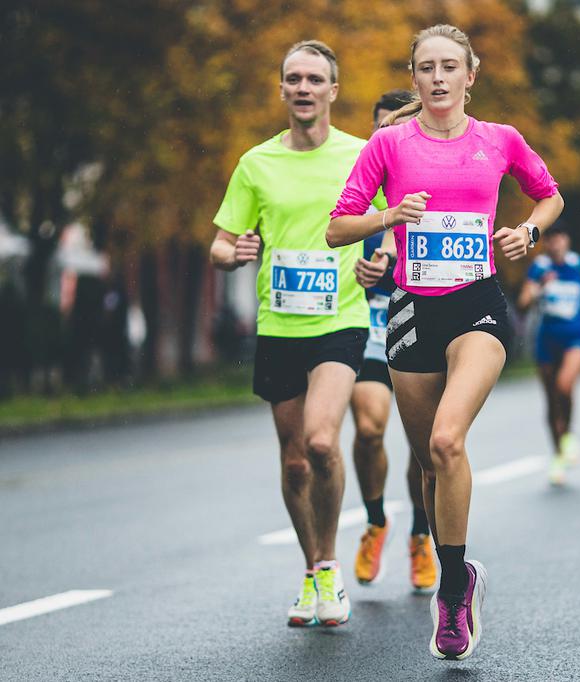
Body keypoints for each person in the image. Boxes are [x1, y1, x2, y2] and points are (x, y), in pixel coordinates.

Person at [326, 24, 564, 660]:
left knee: (445, 440)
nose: (437, 77)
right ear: (414, 78)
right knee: (430, 466)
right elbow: (337, 228)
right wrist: (388, 217)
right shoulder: (387, 144)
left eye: (448, 66)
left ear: (469, 76)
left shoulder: (501, 141)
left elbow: (549, 197)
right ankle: (451, 564)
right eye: (425, 67)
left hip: (477, 308)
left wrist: (528, 234)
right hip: (410, 312)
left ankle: (454, 588)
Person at [209, 40, 379, 627]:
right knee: (294, 463)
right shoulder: (256, 164)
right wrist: (234, 253)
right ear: (281, 89)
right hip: (279, 324)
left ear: (333, 90)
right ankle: (310, 569)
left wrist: (379, 263)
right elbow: (221, 241)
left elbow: (394, 223)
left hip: (341, 319)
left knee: (323, 442)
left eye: (315, 79)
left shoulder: (363, 154)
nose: (303, 88)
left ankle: (330, 567)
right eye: (293, 79)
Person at [347, 89, 436, 592]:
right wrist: (363, 267)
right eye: (380, 130)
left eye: (396, 130)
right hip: (371, 327)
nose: (388, 139)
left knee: (423, 450)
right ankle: (376, 520)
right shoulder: (357, 188)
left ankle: (420, 534)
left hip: (421, 323)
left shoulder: (430, 184)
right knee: (368, 427)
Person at [516, 221, 580, 485]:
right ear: (545, 243)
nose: (555, 243)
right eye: (550, 239)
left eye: (560, 238)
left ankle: (567, 436)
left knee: (565, 386)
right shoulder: (540, 269)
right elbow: (522, 305)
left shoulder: (578, 264)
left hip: (577, 337)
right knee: (551, 400)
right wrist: (537, 290)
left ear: (567, 241)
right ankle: (557, 454)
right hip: (547, 341)